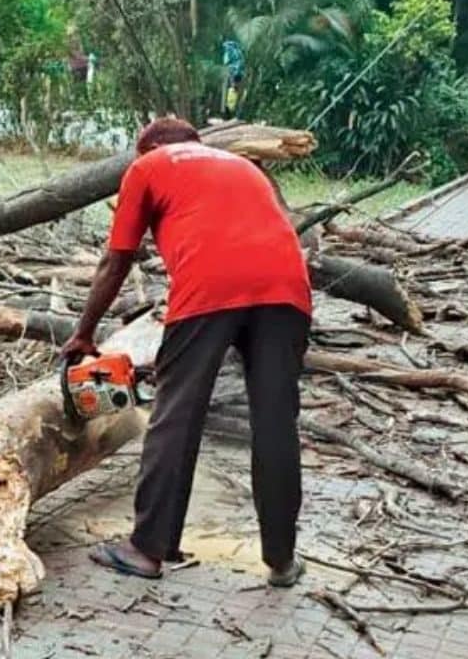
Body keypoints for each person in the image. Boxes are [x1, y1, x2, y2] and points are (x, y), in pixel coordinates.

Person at [60, 116, 311, 587]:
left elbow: (117, 261)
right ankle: (281, 559)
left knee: (177, 414)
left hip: (208, 290)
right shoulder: (243, 166)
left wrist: (84, 333)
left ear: (146, 148)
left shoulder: (148, 166)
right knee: (276, 422)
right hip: (287, 289)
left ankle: (147, 548)